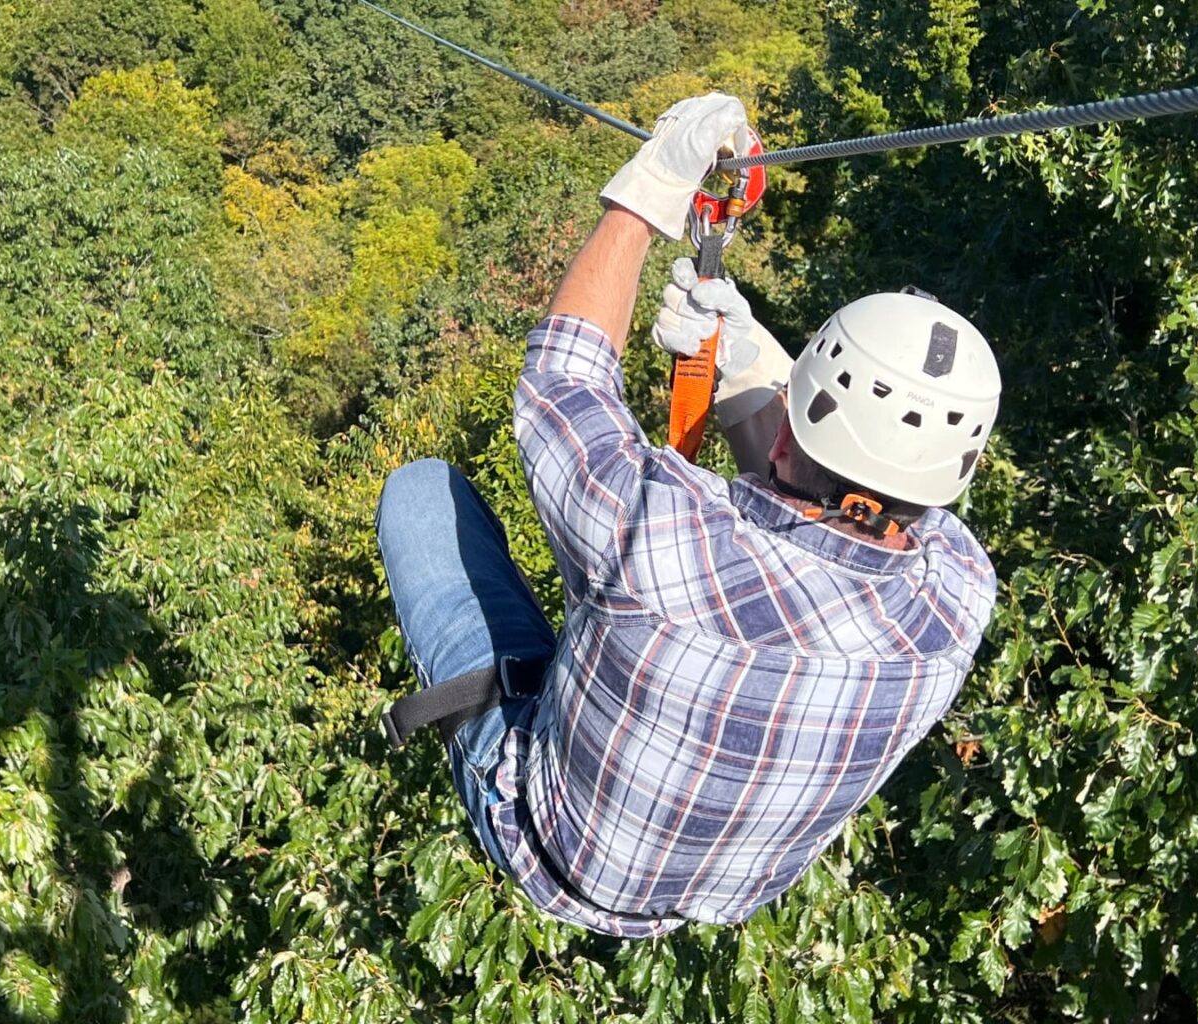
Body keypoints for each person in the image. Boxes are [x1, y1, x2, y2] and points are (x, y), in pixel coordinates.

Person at [375, 93, 1001, 937]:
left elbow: (560, 387)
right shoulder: (955, 599)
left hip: (550, 849)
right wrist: (744, 361)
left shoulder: (660, 540)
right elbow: (837, 499)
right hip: (716, 891)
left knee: (420, 492)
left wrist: (647, 193)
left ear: (790, 429)